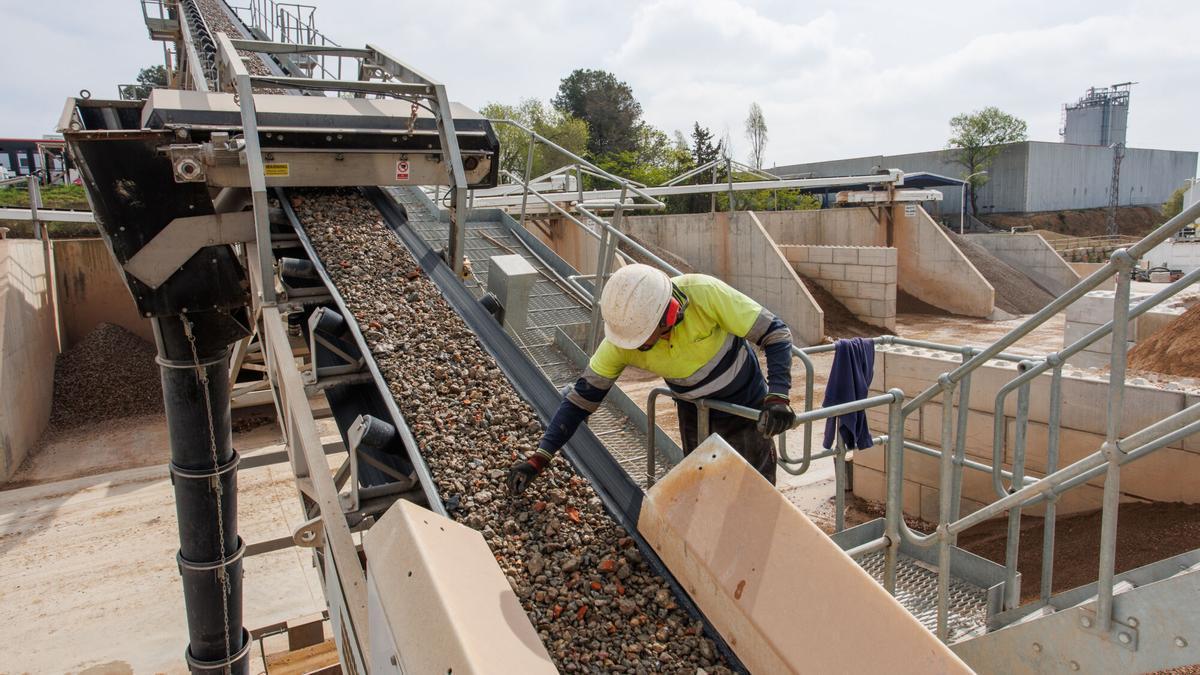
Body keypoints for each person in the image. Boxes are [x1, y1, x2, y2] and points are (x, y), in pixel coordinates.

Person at [507, 264, 794, 495]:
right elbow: (580, 401)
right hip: (696, 412)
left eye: (644, 340)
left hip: (747, 408)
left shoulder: (704, 293)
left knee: (755, 492)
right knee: (706, 488)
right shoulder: (622, 341)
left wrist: (778, 397)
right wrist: (539, 458)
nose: (639, 347)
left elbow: (776, 334)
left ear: (668, 316)